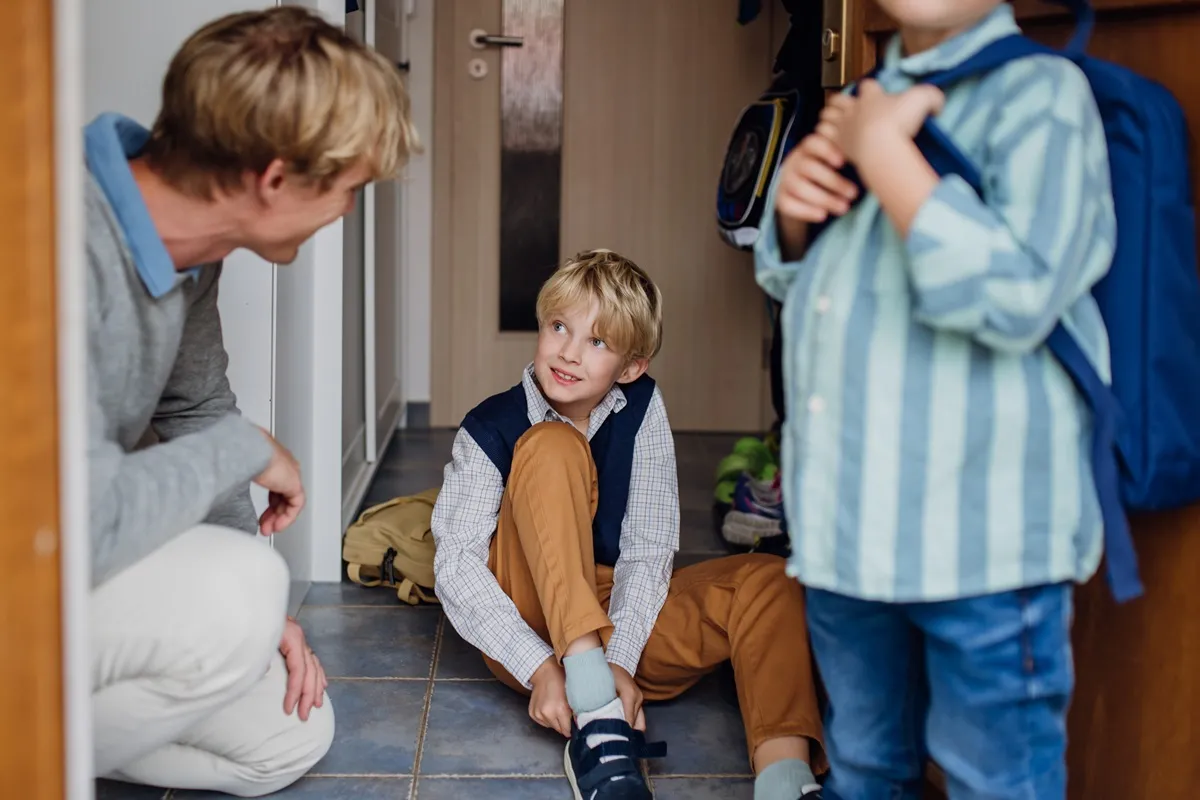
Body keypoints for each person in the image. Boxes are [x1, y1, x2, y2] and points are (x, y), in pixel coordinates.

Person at [756, 1, 1115, 798]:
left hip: (981, 546)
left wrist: (886, 155)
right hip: (851, 536)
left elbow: (1020, 294)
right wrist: (793, 220)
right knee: (865, 766)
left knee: (996, 779)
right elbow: (803, 287)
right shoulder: (866, 95)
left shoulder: (1043, 96)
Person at [86, 8, 418, 796]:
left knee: (286, 730)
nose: (347, 210)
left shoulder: (190, 257)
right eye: (349, 189)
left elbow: (198, 408)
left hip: (53, 556)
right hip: (39, 548)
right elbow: (77, 519)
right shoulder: (56, 240)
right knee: (242, 596)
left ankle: (43, 733)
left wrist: (263, 631)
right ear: (274, 179)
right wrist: (247, 450)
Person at [431, 250, 826, 800]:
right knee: (551, 446)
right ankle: (598, 720)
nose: (568, 352)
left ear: (631, 366)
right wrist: (542, 668)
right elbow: (456, 565)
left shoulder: (641, 407)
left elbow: (647, 548)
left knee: (770, 580)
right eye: (559, 327)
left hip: (613, 611)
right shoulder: (489, 426)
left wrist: (619, 659)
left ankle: (785, 777)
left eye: (597, 342)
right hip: (527, 613)